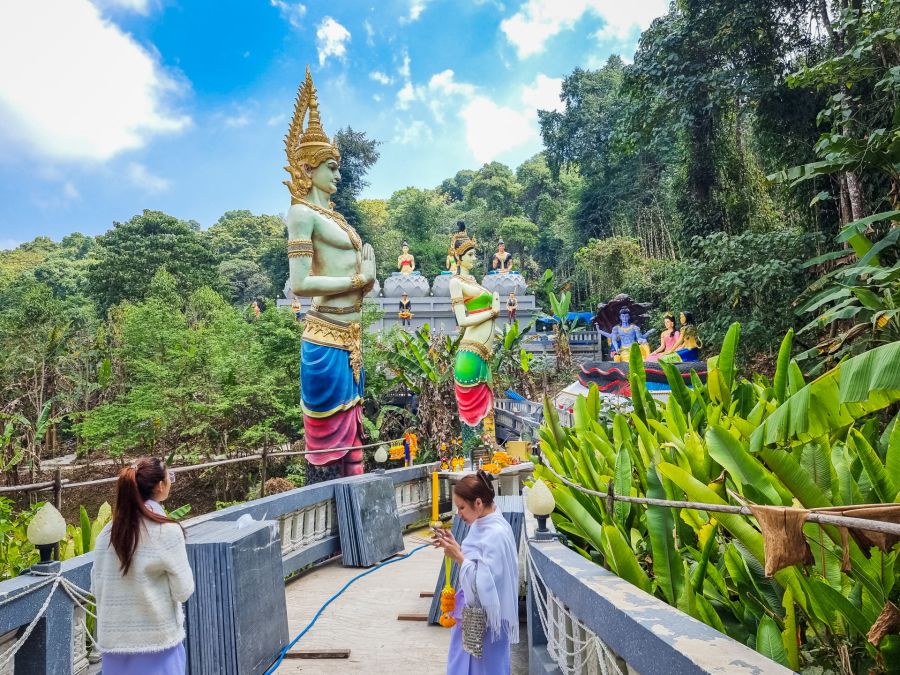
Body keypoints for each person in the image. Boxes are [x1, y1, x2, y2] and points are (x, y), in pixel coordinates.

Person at [92, 457, 195, 675]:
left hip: (114, 648)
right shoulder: (166, 532)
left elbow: (96, 588)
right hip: (157, 645)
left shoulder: (106, 535)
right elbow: (183, 591)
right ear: (160, 486)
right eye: (170, 477)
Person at [433, 471, 519, 675]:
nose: (459, 514)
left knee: (483, 668)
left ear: (478, 503)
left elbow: (486, 583)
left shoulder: (495, 533)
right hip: (474, 614)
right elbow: (480, 566)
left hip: (487, 620)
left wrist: (459, 557)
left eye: (462, 507)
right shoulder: (485, 524)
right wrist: (457, 548)